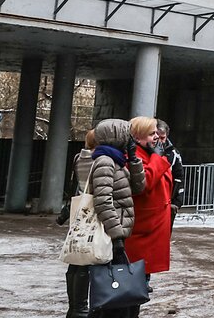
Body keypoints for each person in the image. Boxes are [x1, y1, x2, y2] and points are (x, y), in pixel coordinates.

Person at [87, 118, 147, 318]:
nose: (130, 139)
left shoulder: (118, 161)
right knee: (112, 287)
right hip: (110, 234)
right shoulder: (105, 161)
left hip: (118, 231)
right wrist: (117, 235)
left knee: (118, 289)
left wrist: (134, 158)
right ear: (116, 136)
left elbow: (139, 187)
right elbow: (103, 201)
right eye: (126, 135)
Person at [126, 116, 174, 291]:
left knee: (141, 278)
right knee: (134, 283)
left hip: (151, 225)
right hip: (142, 226)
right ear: (137, 137)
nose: (156, 137)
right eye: (151, 133)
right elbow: (144, 183)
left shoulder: (148, 153)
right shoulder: (133, 156)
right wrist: (157, 158)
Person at [63, 129, 98, 318]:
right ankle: (81, 308)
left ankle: (73, 307)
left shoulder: (79, 157)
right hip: (91, 211)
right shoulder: (97, 160)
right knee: (85, 259)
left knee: (75, 260)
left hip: (79, 210)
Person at [154, 120, 185, 219]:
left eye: (162, 138)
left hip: (168, 202)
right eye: (157, 137)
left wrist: (177, 202)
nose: (159, 141)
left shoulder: (173, 153)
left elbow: (179, 177)